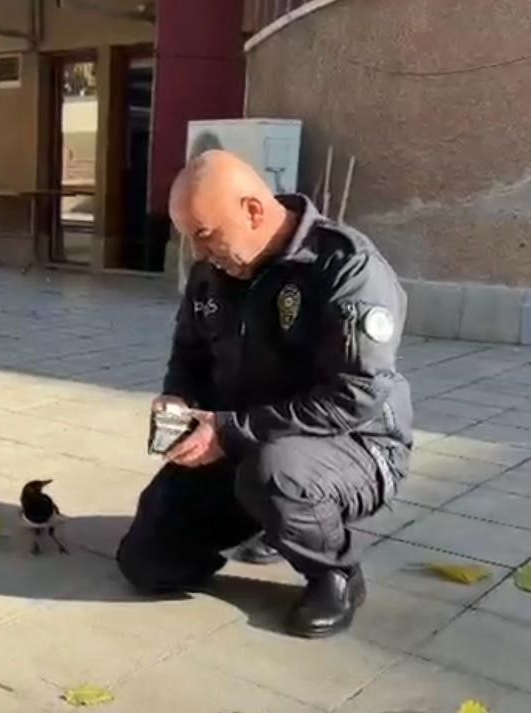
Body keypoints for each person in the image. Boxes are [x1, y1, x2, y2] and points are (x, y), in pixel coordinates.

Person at [116, 150, 413, 639]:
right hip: (243, 437)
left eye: (205, 234)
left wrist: (229, 432)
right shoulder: (212, 274)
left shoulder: (346, 268)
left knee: (274, 474)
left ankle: (335, 573)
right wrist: (178, 401)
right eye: (190, 237)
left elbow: (355, 394)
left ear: (253, 210)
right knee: (147, 563)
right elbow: (189, 355)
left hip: (353, 446)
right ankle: (263, 521)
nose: (198, 251)